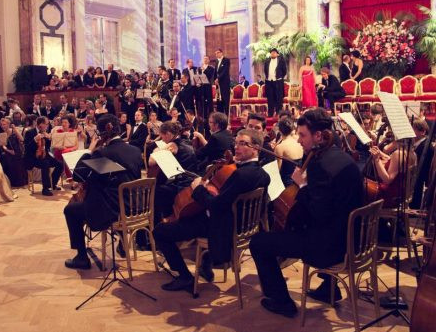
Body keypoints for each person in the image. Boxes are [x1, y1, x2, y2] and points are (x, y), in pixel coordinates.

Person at [249, 108, 364, 317]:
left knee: (258, 243)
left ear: (319, 136)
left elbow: (318, 213)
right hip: (354, 239)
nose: (299, 140)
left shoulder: (321, 166)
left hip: (329, 248)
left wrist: (302, 186)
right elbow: (332, 203)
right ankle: (329, 288)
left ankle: (281, 301)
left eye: (302, 135)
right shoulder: (343, 157)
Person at [153, 129, 270, 291]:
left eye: (242, 144)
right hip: (243, 227)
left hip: (222, 227)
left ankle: (185, 277)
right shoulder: (263, 174)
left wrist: (198, 188)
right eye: (236, 142)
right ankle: (204, 264)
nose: (236, 147)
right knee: (186, 216)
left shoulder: (240, 175)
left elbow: (216, 207)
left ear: (256, 148)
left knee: (160, 231)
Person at [63, 114, 143, 269]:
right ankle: (122, 242)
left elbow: (78, 175)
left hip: (114, 210)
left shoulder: (102, 152)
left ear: (102, 133)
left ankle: (81, 257)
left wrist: (90, 150)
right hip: (135, 207)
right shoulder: (135, 150)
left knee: (71, 210)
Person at [149, 121, 197, 225]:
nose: (162, 139)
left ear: (169, 134)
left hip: (181, 184)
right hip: (190, 180)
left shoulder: (172, 145)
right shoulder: (186, 140)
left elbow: (151, 161)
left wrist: (158, 149)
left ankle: (161, 222)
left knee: (155, 190)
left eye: (162, 136)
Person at [24, 116, 64, 196]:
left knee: (60, 164)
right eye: (46, 124)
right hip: (32, 157)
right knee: (45, 164)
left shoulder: (45, 131)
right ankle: (45, 189)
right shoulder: (30, 132)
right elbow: (27, 148)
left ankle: (52, 183)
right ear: (40, 124)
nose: (47, 126)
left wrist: (49, 139)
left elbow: (47, 147)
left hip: (44, 155)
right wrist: (35, 140)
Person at [0, 118, 28, 187]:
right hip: (7, 154)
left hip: (16, 154)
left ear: (8, 124)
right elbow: (1, 147)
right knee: (2, 159)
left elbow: (22, 139)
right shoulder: (1, 134)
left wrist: (15, 129)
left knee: (9, 160)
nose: (3, 126)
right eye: (1, 125)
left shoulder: (13, 131)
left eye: (4, 124)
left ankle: (14, 181)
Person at [274, 118, 303, 187]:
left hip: (287, 184)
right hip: (300, 180)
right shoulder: (299, 140)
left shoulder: (280, 147)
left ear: (280, 131)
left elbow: (277, 171)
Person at [264, 48, 287, 117]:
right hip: (269, 82)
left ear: (277, 54)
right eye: (271, 52)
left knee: (278, 98)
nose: (273, 54)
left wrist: (279, 77)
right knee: (270, 98)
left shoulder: (281, 60)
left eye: (274, 52)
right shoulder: (267, 61)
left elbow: (284, 70)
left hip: (278, 82)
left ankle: (278, 113)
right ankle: (270, 113)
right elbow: (265, 70)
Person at [214, 49, 231, 115]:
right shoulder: (216, 61)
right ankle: (220, 115)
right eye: (216, 53)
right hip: (218, 84)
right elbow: (215, 72)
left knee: (225, 100)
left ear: (221, 53)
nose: (216, 54)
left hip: (224, 83)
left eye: (218, 53)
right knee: (219, 101)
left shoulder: (226, 60)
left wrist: (218, 78)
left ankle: (226, 115)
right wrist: (215, 79)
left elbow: (225, 71)